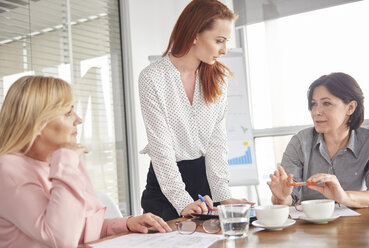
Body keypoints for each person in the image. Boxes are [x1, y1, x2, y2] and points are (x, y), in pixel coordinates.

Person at [0, 76, 171, 248]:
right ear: (36, 123)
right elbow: (61, 239)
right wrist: (67, 161)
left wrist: (126, 224)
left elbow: (80, 229)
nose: (78, 120)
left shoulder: (63, 158)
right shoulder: (8, 169)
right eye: (68, 113)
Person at [139, 0, 252, 221]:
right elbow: (161, 147)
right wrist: (182, 202)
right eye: (219, 40)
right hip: (165, 183)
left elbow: (216, 143)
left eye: (226, 41)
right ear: (194, 34)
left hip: (205, 182)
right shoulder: (152, 77)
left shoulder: (218, 79)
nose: (224, 49)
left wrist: (224, 195)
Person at [267, 72, 369, 208]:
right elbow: (289, 199)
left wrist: (343, 197)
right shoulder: (300, 142)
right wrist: (281, 198)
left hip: (353, 225)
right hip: (310, 226)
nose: (317, 112)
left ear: (350, 107)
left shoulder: (366, 142)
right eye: (314, 104)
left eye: (327, 103)